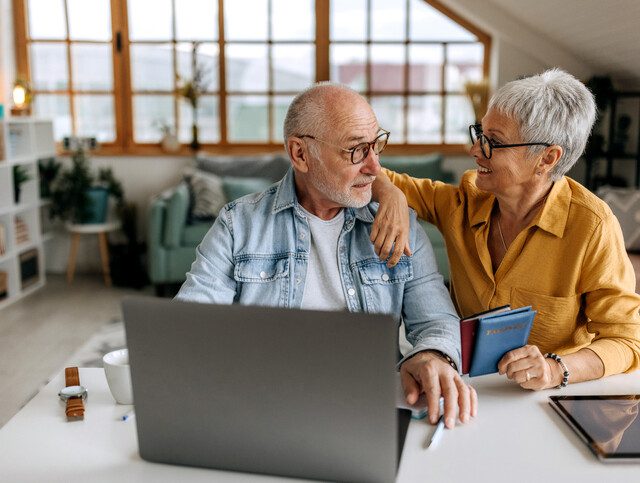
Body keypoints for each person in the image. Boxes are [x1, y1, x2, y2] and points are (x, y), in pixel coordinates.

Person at [177, 82, 477, 428]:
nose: (375, 167)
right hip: (265, 405)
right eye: (355, 151)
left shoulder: (399, 223)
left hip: (369, 404)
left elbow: (436, 318)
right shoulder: (238, 225)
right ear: (300, 154)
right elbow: (191, 326)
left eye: (376, 144)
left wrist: (433, 354)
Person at [371, 69, 640, 390]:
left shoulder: (591, 226)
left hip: (546, 397)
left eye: (493, 142)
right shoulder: (464, 200)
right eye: (479, 133)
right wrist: (390, 193)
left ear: (547, 158)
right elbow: (372, 173)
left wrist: (556, 369)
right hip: (467, 386)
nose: (474, 151)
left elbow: (626, 341)